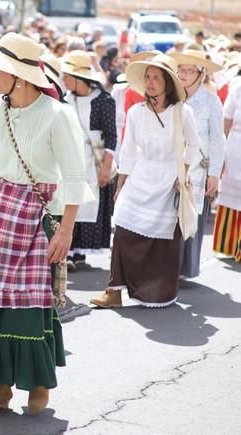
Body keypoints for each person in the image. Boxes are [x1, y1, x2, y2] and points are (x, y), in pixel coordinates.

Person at [0, 32, 91, 416]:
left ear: (22, 76)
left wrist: (65, 230)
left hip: (36, 219)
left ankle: (38, 384)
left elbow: (75, 177)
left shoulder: (57, 115)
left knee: (29, 307)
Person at [90, 54, 200, 309]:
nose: (149, 83)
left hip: (168, 180)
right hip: (140, 176)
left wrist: (181, 173)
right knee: (123, 226)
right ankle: (114, 291)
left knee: (162, 241)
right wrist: (121, 186)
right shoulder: (135, 112)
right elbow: (128, 151)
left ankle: (159, 292)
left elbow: (194, 146)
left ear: (168, 83)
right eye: (147, 77)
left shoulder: (182, 112)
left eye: (156, 78)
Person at [170, 50, 225, 277]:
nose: (183, 74)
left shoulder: (211, 101)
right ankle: (167, 265)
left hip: (198, 168)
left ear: (201, 75)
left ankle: (185, 267)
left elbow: (218, 138)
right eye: (180, 69)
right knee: (169, 214)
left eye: (189, 70)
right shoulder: (172, 96)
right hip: (172, 163)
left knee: (191, 215)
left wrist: (215, 174)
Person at [61, 50, 117, 269]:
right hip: (70, 157)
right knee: (69, 198)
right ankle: (69, 249)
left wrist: (106, 166)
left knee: (89, 202)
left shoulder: (104, 101)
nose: (63, 80)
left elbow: (112, 135)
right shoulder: (64, 101)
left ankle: (79, 252)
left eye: (67, 75)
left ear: (78, 78)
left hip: (92, 158)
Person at [213, 77, 241, 262]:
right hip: (236, 145)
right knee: (233, 194)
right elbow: (227, 118)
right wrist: (222, 145)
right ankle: (230, 244)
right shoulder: (238, 86)